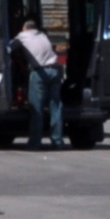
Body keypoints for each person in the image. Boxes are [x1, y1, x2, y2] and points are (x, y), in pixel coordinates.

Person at [17, 11, 64, 147]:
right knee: (56, 106)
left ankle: (35, 142)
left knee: (36, 107)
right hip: (55, 70)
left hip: (40, 72)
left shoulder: (22, 36)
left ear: (25, 28)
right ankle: (57, 141)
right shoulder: (43, 35)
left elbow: (8, 48)